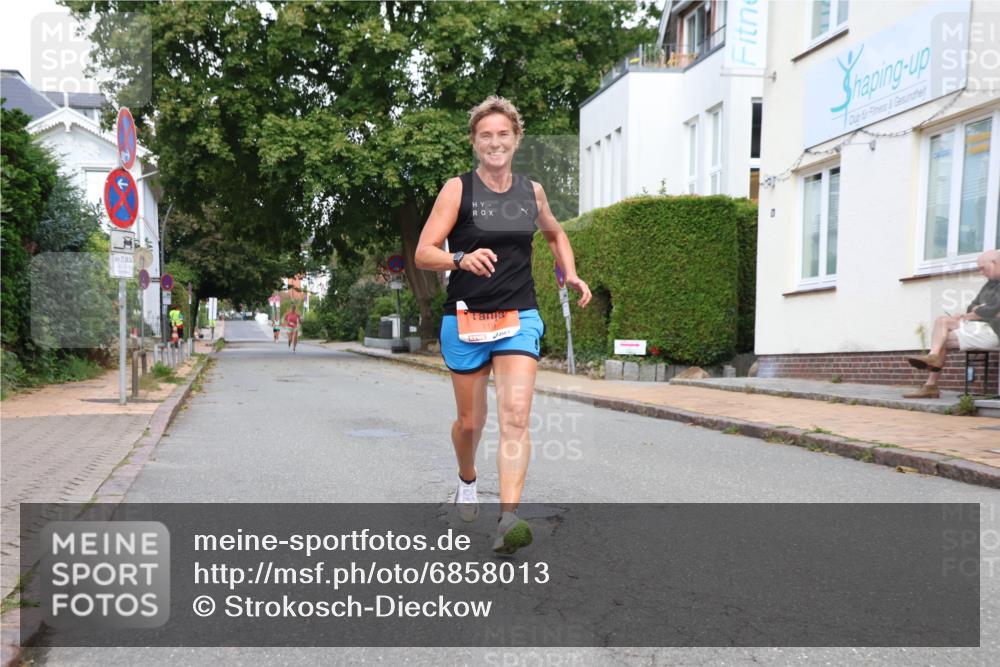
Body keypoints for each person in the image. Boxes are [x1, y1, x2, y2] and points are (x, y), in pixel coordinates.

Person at [415, 96, 592, 555]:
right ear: (475, 142)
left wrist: (568, 270)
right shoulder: (458, 190)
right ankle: (467, 479)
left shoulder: (531, 192)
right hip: (467, 317)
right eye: (486, 135)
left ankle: (508, 518)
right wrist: (459, 257)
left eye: (503, 134)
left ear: (516, 139)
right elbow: (423, 251)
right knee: (471, 422)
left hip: (518, 317)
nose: (495, 142)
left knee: (515, 418)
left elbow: (554, 232)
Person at [903, 249, 1000, 398]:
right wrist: (977, 311)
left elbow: (992, 310)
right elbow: (973, 306)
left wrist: (979, 311)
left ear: (995, 263)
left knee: (943, 339)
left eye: (982, 268)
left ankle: (931, 384)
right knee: (942, 321)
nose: (981, 272)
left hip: (995, 331)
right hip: (983, 326)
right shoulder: (990, 284)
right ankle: (932, 359)